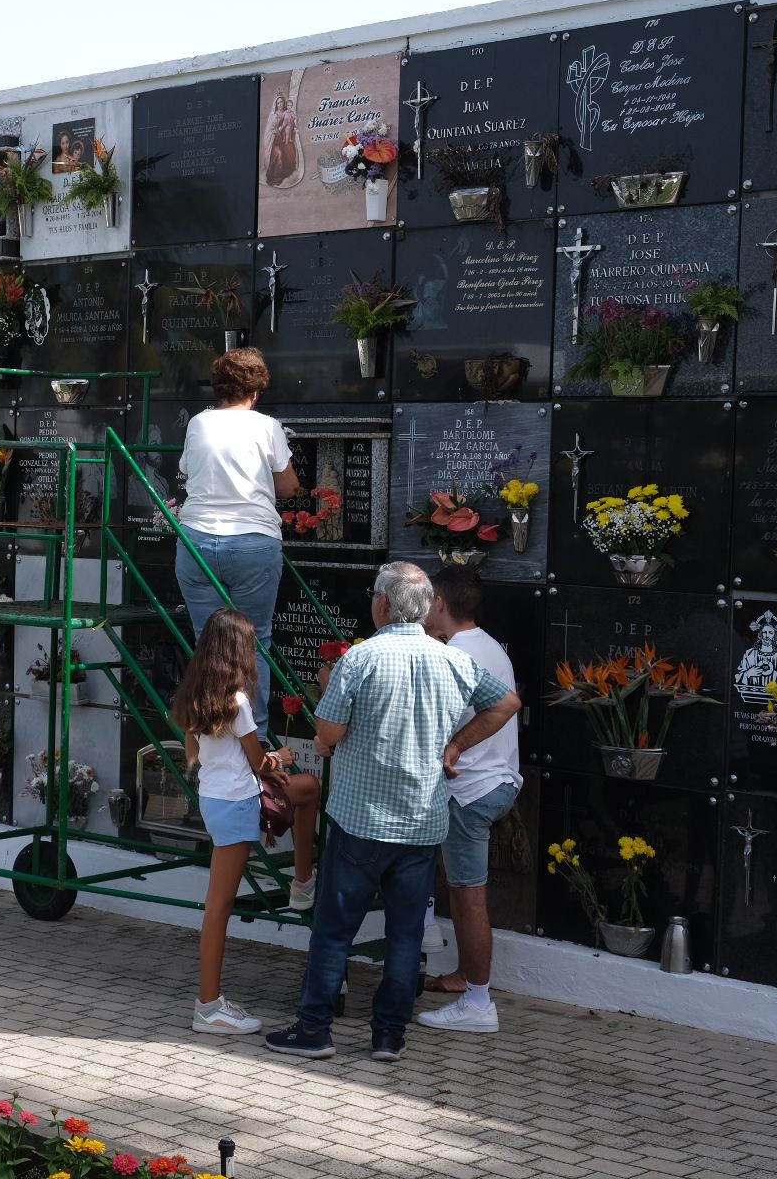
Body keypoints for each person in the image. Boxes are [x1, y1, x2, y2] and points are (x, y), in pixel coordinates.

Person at [264, 562, 520, 1063]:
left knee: (335, 928)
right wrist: (454, 748)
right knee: (405, 935)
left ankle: (315, 1029)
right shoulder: (453, 661)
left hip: (362, 820)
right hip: (423, 823)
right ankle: (388, 1037)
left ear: (383, 605)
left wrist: (327, 714)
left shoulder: (361, 659)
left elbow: (330, 733)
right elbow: (506, 703)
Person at [174, 608, 322, 1035]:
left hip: (215, 799)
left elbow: (194, 754)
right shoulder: (237, 701)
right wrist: (281, 758)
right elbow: (259, 762)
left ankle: (301, 882)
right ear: (238, 650)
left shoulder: (194, 693)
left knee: (307, 789)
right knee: (218, 908)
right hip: (239, 802)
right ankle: (208, 1006)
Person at [416, 566, 522, 1034]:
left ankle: (479, 1002)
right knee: (460, 892)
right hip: (496, 781)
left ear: (439, 601)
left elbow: (443, 727)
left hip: (471, 791)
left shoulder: (456, 654)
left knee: (468, 894)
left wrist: (454, 746)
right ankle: (463, 977)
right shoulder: (487, 644)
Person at [174, 348, 300, 738]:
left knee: (207, 640)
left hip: (196, 542)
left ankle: (210, 735)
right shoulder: (267, 427)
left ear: (220, 387)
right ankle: (254, 738)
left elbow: (186, 470)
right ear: (257, 390)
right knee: (254, 641)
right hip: (252, 544)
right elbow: (287, 486)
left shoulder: (198, 423)